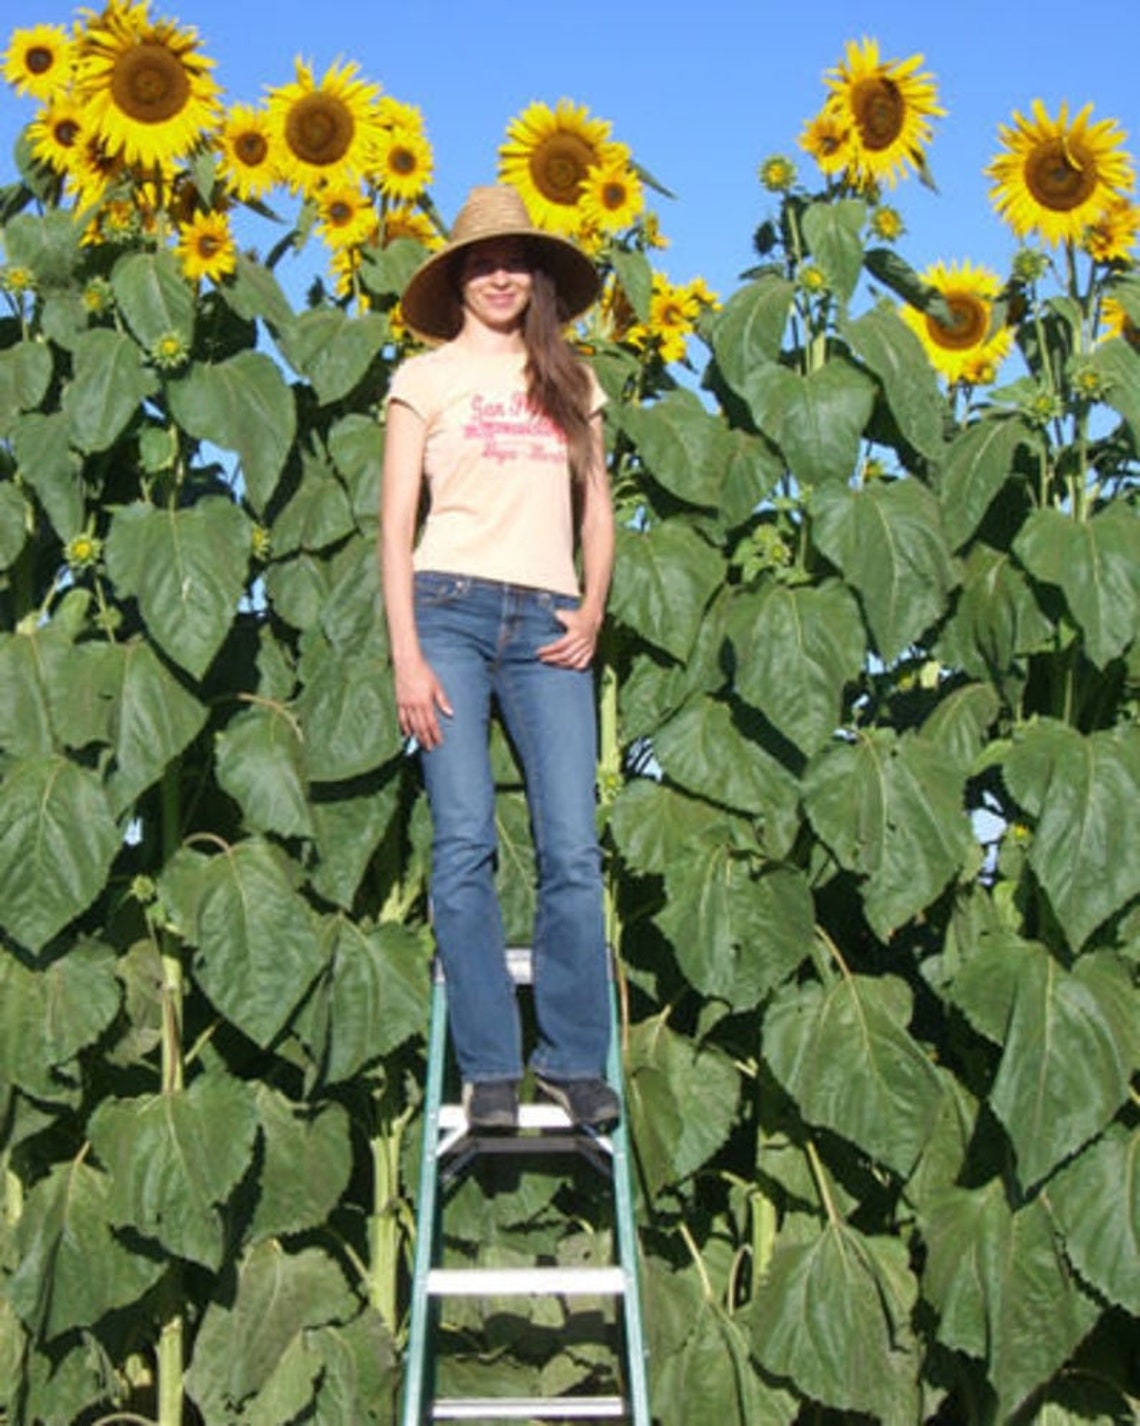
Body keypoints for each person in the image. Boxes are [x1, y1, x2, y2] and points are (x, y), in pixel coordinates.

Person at [379, 185, 619, 1131]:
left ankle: (569, 1061)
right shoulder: (424, 380)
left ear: (539, 278)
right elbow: (396, 526)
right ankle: (488, 1069)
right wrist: (407, 654)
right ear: (458, 279)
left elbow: (597, 508)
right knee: (466, 839)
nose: (500, 275)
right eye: (482, 262)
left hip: (552, 621)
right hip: (448, 613)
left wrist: (594, 606)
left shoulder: (572, 380)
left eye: (515, 260)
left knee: (570, 847)